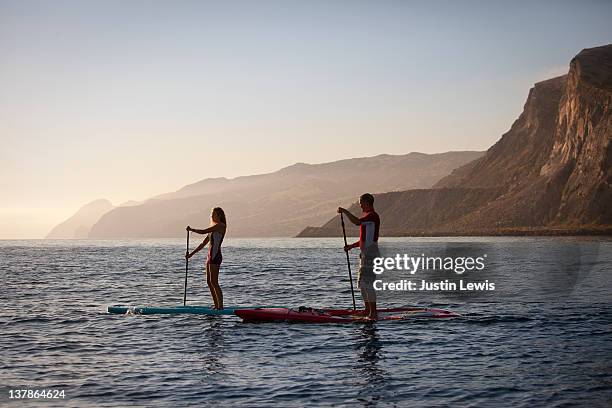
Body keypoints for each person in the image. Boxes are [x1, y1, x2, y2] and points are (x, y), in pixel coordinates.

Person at [337, 193, 381, 320]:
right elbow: (364, 240)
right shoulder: (367, 218)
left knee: (368, 283)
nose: (360, 205)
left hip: (371, 254)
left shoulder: (372, 216)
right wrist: (351, 246)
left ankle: (373, 313)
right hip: (365, 254)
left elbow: (356, 222)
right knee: (362, 283)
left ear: (367, 202)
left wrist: (344, 211)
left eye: (361, 203)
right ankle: (367, 309)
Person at [186, 207, 227, 310]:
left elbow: (203, 231)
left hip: (216, 256)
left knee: (214, 282)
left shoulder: (221, 226)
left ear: (219, 216)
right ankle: (216, 305)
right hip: (209, 257)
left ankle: (220, 307)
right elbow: (203, 243)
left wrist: (192, 230)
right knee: (209, 282)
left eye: (214, 214)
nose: (212, 216)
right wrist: (191, 254)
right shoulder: (212, 229)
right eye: (212, 214)